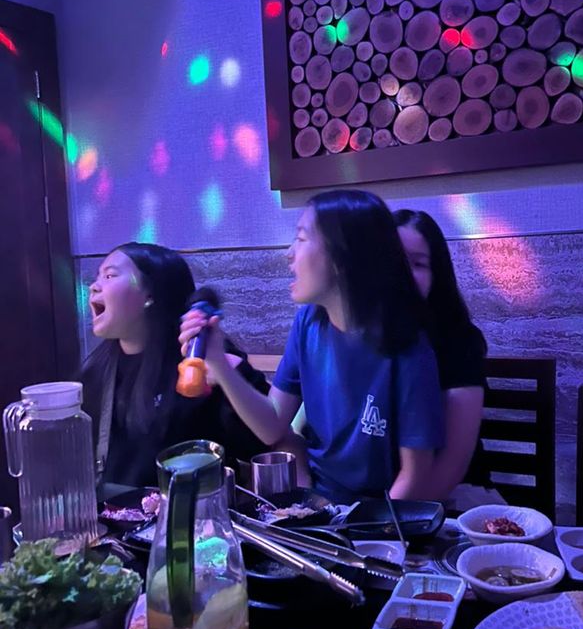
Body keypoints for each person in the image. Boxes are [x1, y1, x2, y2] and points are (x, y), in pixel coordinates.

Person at [179, 190, 444, 503]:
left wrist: (361, 535)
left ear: (343, 255)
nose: (289, 254)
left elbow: (414, 474)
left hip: (381, 516)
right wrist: (220, 366)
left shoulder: (409, 346)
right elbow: (273, 425)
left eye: (302, 239)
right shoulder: (309, 322)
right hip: (318, 504)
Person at [80, 242, 270, 487]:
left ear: (149, 295)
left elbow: (262, 444)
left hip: (195, 517)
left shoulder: (200, 359)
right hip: (117, 519)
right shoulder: (95, 372)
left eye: (109, 275)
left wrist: (228, 371)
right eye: (97, 277)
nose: (94, 287)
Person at [394, 209, 487, 498]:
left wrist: (392, 525)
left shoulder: (460, 341)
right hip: (382, 498)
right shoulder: (356, 337)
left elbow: (452, 466)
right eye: (394, 262)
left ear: (438, 274)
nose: (404, 275)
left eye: (418, 264)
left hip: (454, 496)